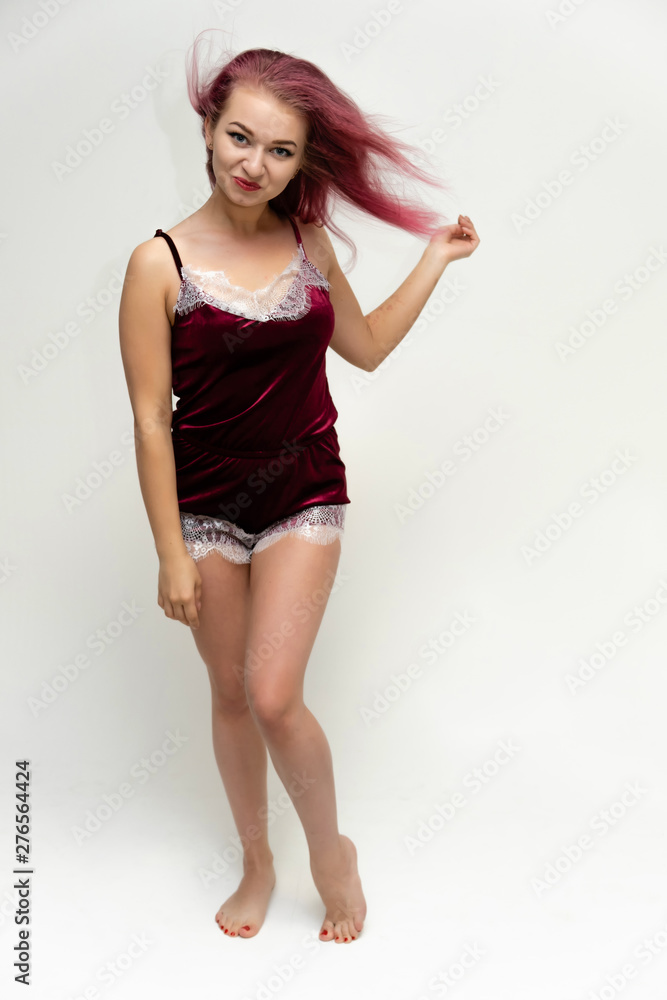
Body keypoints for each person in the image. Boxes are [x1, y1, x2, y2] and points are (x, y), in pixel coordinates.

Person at [118, 38, 480, 946]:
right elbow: (149, 421)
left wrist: (432, 258)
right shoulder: (155, 263)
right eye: (241, 138)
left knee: (273, 693)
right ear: (207, 129)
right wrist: (170, 551)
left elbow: (362, 348)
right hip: (203, 508)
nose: (255, 165)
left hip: (303, 492)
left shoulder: (306, 238)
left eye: (280, 151)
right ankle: (256, 861)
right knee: (229, 697)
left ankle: (330, 853)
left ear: (301, 162)